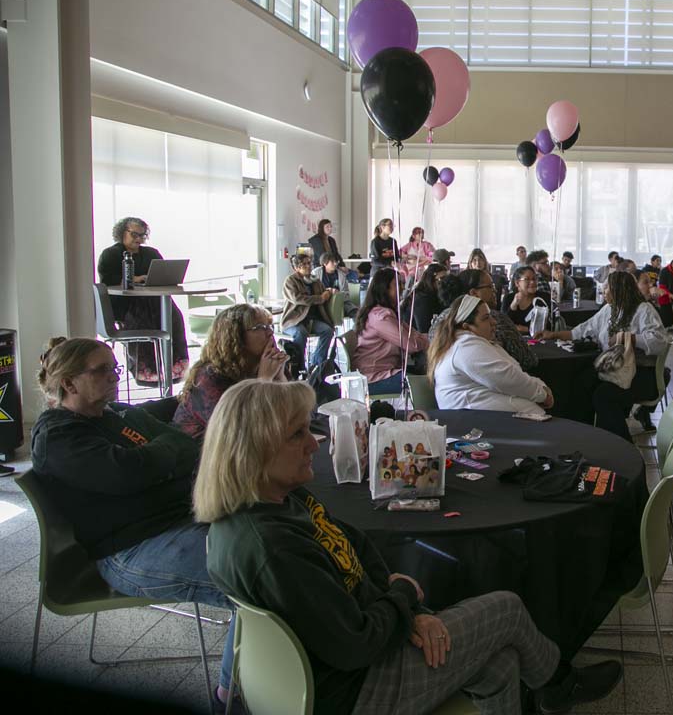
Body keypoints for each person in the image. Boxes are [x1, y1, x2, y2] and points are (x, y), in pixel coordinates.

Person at [196, 379, 620, 715]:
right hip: (352, 693)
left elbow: (355, 544)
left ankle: (552, 689)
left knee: (500, 664)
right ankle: (558, 686)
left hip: (356, 651)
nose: (314, 443)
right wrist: (404, 598)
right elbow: (356, 644)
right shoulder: (272, 547)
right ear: (254, 449)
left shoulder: (282, 500)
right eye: (297, 434)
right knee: (506, 609)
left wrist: (407, 610)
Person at [32, 338, 237, 710]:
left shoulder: (114, 414)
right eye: (103, 370)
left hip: (175, 523)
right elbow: (128, 472)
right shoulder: (59, 437)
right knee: (253, 577)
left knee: (272, 541)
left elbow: (182, 445)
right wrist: (156, 459)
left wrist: (153, 460)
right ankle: (232, 696)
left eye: (115, 367)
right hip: (130, 550)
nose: (115, 376)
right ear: (69, 384)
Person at [539, 271, 670, 440]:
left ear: (618, 290)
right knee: (580, 381)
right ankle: (581, 435)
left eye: (607, 287)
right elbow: (583, 330)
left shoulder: (643, 310)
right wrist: (554, 335)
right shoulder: (610, 309)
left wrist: (628, 337)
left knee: (604, 396)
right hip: (613, 370)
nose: (604, 291)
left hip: (641, 374)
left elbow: (660, 341)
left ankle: (621, 445)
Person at [96, 217, 190, 385]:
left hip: (152, 301)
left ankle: (174, 369)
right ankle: (147, 372)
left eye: (142, 235)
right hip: (123, 306)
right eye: (134, 234)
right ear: (122, 233)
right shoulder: (111, 254)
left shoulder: (151, 253)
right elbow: (107, 279)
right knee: (146, 315)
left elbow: (162, 273)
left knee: (174, 315)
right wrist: (136, 278)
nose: (138, 239)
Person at [173, 304, 289, 439]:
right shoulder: (209, 378)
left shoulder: (266, 364)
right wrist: (264, 381)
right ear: (236, 336)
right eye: (260, 328)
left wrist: (280, 376)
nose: (270, 333)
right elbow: (240, 433)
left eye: (270, 326)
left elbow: (298, 414)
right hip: (199, 453)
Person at [430, 295, 553, 414]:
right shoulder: (465, 346)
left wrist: (541, 389)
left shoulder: (471, 342)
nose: (494, 322)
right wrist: (541, 394)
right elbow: (507, 379)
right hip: (470, 423)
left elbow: (514, 373)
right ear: (467, 326)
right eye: (485, 318)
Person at [354, 268, 432, 395]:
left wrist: (430, 338)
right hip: (373, 378)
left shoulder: (386, 313)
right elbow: (411, 344)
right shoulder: (381, 317)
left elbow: (413, 335)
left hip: (384, 371)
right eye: (398, 284)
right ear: (384, 289)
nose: (402, 288)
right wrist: (431, 341)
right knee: (426, 384)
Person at [453, 269, 537, 371]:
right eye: (491, 287)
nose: (495, 290)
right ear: (474, 293)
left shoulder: (443, 318)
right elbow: (528, 359)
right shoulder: (496, 319)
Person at [281, 254, 336, 371]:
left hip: (311, 319)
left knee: (328, 331)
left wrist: (329, 291)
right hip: (294, 320)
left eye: (309, 263)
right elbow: (298, 299)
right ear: (296, 268)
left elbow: (323, 291)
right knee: (301, 333)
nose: (308, 266)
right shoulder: (290, 281)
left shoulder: (314, 280)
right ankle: (299, 366)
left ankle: (318, 363)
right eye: (304, 264)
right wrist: (320, 298)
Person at [402, 263, 448, 334]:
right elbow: (424, 330)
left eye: (447, 278)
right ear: (431, 280)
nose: (445, 282)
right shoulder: (422, 299)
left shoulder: (435, 295)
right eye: (441, 279)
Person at [503, 267, 547, 335]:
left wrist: (527, 329)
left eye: (534, 279)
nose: (532, 282)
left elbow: (549, 326)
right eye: (527, 279)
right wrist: (513, 305)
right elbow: (503, 324)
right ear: (517, 283)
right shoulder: (509, 298)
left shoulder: (543, 298)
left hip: (538, 339)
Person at [318, 252, 358, 319]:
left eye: (336, 261)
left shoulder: (341, 274)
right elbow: (313, 291)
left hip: (339, 301)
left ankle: (357, 328)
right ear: (325, 263)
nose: (335, 263)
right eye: (332, 262)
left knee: (356, 312)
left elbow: (346, 293)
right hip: (322, 302)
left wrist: (338, 294)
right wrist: (328, 290)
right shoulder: (316, 273)